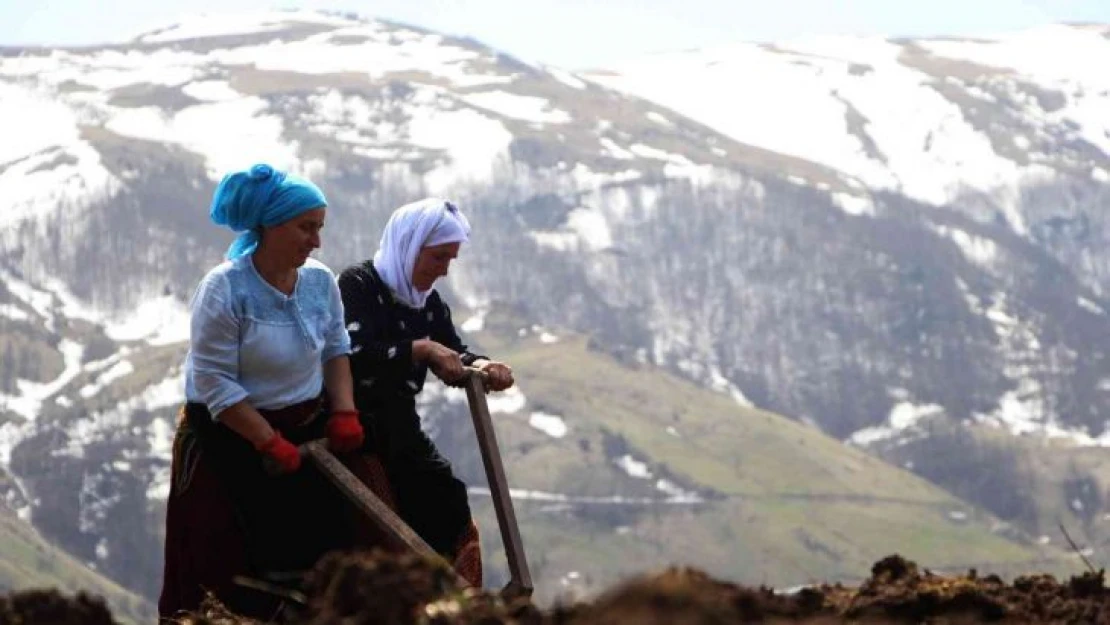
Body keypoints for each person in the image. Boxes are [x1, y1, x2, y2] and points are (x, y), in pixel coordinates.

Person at [159, 163, 369, 620]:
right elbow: (215, 382)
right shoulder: (225, 289)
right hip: (231, 431)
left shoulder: (320, 281)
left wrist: (344, 411)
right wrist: (267, 441)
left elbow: (335, 349)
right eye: (305, 228)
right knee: (241, 557)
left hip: (305, 421)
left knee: (335, 542)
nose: (317, 241)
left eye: (320, 228)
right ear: (270, 227)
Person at [336, 198, 515, 587]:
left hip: (399, 425)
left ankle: (454, 599)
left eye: (450, 260)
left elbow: (452, 347)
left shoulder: (428, 305)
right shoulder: (358, 286)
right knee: (378, 508)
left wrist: (482, 367)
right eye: (437, 258)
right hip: (350, 421)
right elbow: (352, 352)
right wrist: (421, 349)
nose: (443, 270)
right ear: (410, 246)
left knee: (446, 498)